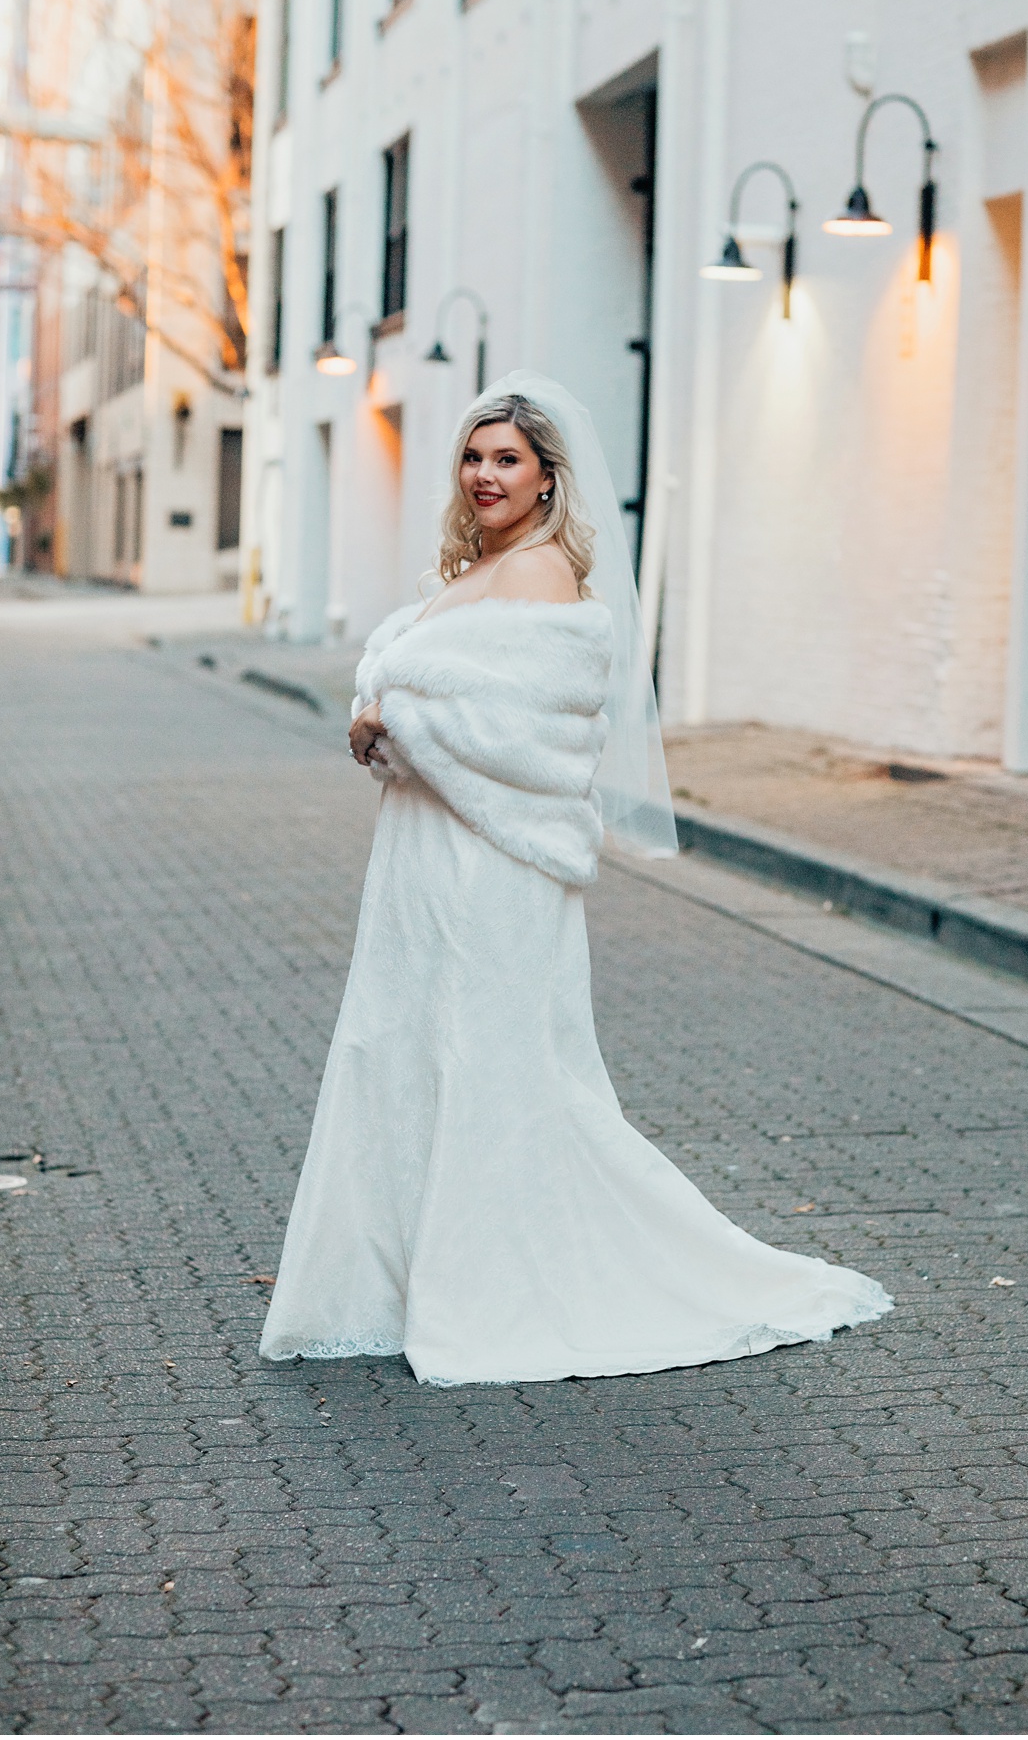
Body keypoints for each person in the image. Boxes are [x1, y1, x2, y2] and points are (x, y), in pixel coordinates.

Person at [259, 372, 891, 1385]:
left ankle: (493, 1288)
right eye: (474, 456)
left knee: (495, 1068)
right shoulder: (472, 572)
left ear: (550, 479)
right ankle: (396, 1279)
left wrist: (401, 715)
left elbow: (531, 739)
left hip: (492, 867)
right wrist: (384, 721)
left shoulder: (547, 575)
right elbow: (416, 700)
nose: (485, 475)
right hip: (422, 862)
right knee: (408, 1054)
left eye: (508, 458)